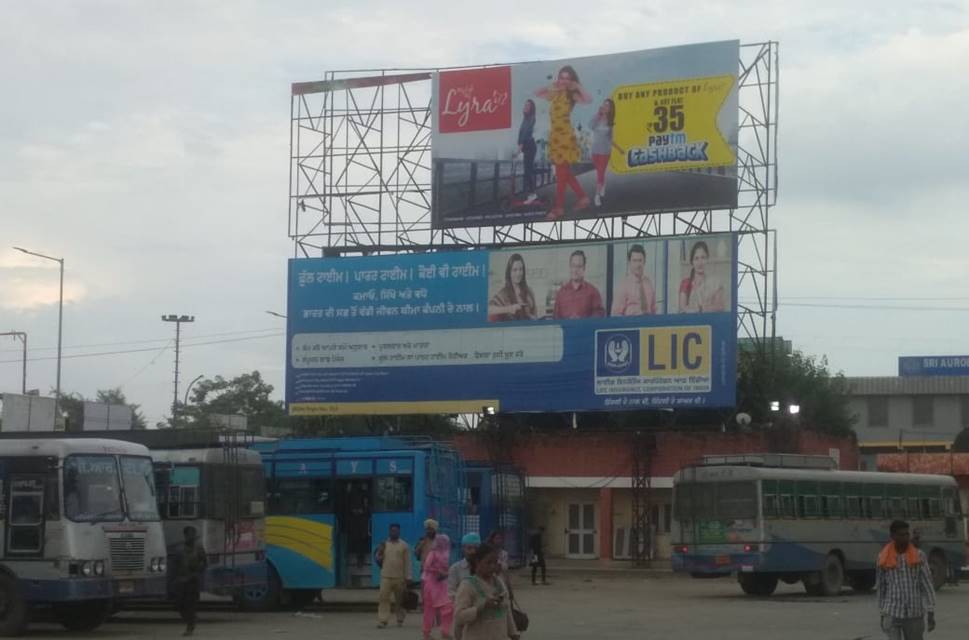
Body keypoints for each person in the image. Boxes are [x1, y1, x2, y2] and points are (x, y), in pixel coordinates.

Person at [536, 65, 592, 219]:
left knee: (561, 173)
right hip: (555, 137)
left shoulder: (571, 95)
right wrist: (553, 85)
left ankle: (559, 208)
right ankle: (582, 198)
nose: (564, 81)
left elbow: (588, 100)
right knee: (564, 172)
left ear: (571, 80)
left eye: (567, 78)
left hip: (565, 137)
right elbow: (537, 93)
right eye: (562, 77)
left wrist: (578, 86)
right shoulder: (555, 93)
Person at [877, 519, 936, 640]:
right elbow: (881, 586)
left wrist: (930, 611)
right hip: (892, 612)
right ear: (892, 536)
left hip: (914, 613)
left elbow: (927, 584)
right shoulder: (882, 557)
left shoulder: (919, 556)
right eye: (901, 535)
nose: (905, 538)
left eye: (907, 534)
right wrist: (882, 613)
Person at [453, 543, 520, 640]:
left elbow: (507, 611)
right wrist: (482, 606)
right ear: (477, 562)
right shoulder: (467, 585)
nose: (492, 566)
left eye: (495, 562)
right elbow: (459, 617)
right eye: (488, 563)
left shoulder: (499, 582)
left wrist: (514, 634)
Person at [375, 523, 412, 628]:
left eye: (396, 530)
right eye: (392, 530)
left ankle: (400, 619)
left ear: (399, 532)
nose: (394, 532)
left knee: (399, 600)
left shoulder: (404, 545)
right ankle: (383, 620)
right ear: (389, 531)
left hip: (399, 577)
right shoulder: (384, 544)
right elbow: (378, 560)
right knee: (383, 598)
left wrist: (408, 577)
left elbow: (407, 562)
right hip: (385, 576)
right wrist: (380, 552)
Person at [588, 98, 624, 207]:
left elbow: (610, 139)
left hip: (605, 152)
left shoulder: (610, 122)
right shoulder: (597, 117)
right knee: (600, 173)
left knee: (600, 173)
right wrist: (598, 115)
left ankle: (597, 195)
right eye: (604, 104)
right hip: (595, 150)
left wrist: (619, 149)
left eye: (607, 105)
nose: (605, 106)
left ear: (610, 109)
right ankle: (602, 184)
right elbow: (590, 126)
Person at [172, 525, 207, 637]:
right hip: (181, 581)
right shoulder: (179, 550)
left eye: (193, 534)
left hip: (193, 581)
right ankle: (191, 620)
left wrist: (198, 569)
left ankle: (190, 627)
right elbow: (175, 567)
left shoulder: (199, 548)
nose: (192, 537)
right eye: (189, 534)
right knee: (179, 605)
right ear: (185, 535)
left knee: (190, 605)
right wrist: (174, 580)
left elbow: (205, 563)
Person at [553, 250, 605, 319]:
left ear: (584, 268)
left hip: (585, 329)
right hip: (566, 330)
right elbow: (556, 319)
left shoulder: (593, 292)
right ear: (570, 267)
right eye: (573, 266)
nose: (575, 270)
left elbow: (599, 315)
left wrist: (581, 322)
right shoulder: (561, 293)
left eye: (579, 266)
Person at [678, 241, 726, 313]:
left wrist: (701, 309)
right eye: (696, 258)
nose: (700, 262)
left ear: (707, 259)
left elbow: (720, 307)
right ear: (692, 262)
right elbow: (682, 308)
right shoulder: (686, 283)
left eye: (703, 257)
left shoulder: (715, 283)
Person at [421, 534, 453, 640]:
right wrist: (438, 571)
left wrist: (446, 572)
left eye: (444, 541)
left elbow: (446, 567)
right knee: (429, 609)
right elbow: (426, 566)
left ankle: (445, 631)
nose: (443, 543)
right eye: (441, 541)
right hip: (431, 583)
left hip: (442, 583)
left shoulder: (446, 552)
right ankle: (426, 633)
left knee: (448, 607)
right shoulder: (432, 553)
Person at [488, 254, 538, 322]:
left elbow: (535, 316)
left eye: (521, 269)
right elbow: (489, 309)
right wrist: (509, 309)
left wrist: (531, 317)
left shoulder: (529, 292)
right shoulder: (503, 294)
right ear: (509, 272)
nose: (518, 273)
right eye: (515, 270)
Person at [611, 244, 657, 316]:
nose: (638, 264)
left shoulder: (649, 283)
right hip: (631, 324)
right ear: (629, 262)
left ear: (644, 261)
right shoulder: (623, 285)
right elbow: (616, 314)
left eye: (640, 260)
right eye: (634, 261)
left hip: (648, 324)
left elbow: (653, 309)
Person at [517, 99, 538, 204]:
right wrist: (519, 145)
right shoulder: (525, 118)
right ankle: (530, 193)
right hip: (526, 146)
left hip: (530, 146)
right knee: (527, 171)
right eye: (525, 105)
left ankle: (533, 194)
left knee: (528, 171)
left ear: (531, 108)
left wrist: (520, 145)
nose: (525, 107)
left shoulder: (531, 118)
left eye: (528, 106)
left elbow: (525, 132)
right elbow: (520, 132)